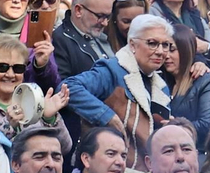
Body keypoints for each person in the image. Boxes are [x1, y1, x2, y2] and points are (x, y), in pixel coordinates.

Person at [62, 12, 173, 160]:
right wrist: (106, 116)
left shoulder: (162, 86)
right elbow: (68, 87)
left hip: (147, 168)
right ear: (132, 44)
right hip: (107, 166)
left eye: (165, 45)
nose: (160, 51)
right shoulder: (112, 70)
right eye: (152, 43)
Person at [0, 35, 71, 151]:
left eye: (18, 68)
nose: (10, 74)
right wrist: (11, 128)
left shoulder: (34, 98)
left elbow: (65, 147)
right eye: (2, 67)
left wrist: (49, 118)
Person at [160, 24, 210, 136]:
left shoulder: (207, 82)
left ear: (185, 51)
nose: (166, 56)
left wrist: (174, 127)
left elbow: (208, 125)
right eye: (165, 49)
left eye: (172, 50)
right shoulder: (161, 82)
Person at [53, 0, 114, 81]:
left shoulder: (103, 35)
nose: (105, 23)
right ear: (78, 10)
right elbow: (64, 88)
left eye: (108, 16)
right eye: (100, 16)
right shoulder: (60, 40)